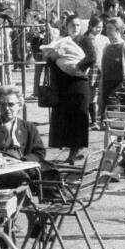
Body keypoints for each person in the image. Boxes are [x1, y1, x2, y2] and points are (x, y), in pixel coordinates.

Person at [48, 14, 95, 164]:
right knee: (64, 118)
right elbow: (49, 60)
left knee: (77, 118)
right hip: (63, 84)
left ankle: (75, 151)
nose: (75, 28)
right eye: (72, 25)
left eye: (78, 25)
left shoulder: (84, 40)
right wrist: (54, 57)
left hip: (78, 83)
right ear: (66, 27)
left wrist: (77, 67)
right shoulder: (60, 41)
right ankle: (69, 150)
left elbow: (91, 57)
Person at [98, 17, 125, 119]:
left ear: (117, 30)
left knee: (119, 121)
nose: (107, 31)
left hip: (121, 90)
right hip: (108, 89)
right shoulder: (107, 48)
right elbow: (103, 73)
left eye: (110, 28)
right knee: (109, 123)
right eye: (106, 28)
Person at [85, 15, 107, 128]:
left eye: (101, 27)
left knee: (103, 93)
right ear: (90, 27)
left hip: (102, 67)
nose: (99, 29)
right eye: (97, 27)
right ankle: (93, 120)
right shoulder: (86, 39)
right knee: (91, 94)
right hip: (91, 68)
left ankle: (103, 119)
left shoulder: (104, 39)